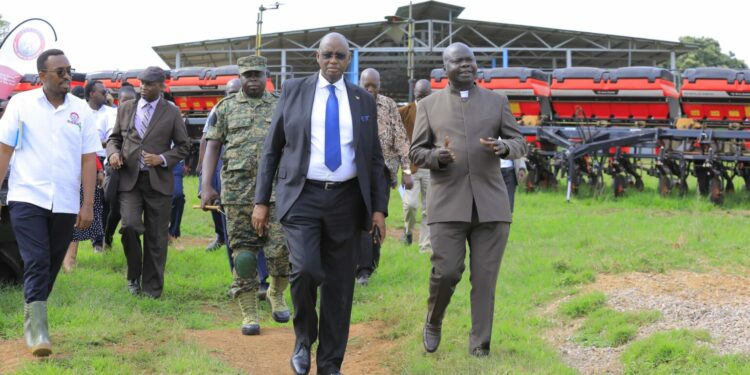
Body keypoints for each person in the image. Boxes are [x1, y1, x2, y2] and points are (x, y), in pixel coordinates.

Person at [252, 32, 388, 375]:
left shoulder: (362, 100)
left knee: (340, 287)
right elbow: (272, 149)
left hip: (347, 200)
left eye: (340, 56)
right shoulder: (294, 90)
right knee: (307, 270)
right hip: (302, 196)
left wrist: (378, 210)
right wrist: (261, 201)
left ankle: (330, 363)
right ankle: (303, 341)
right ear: (317, 56)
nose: (333, 61)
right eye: (327, 54)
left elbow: (374, 159)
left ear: (348, 60)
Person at [409, 42, 527, 357]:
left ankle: (480, 344)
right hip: (448, 203)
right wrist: (437, 156)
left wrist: (505, 148)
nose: (467, 66)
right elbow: (415, 152)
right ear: (445, 67)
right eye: (458, 62)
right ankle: (434, 320)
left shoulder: (497, 101)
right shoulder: (429, 105)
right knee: (446, 271)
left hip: (491, 203)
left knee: (485, 279)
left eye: (471, 61)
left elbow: (519, 141)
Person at [0, 49, 101, 356]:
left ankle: (33, 315)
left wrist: (87, 206)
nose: (67, 75)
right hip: (27, 196)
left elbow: (88, 160)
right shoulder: (21, 104)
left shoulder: (81, 110)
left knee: (52, 263)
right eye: (60, 71)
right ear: (42, 76)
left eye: (69, 70)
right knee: (36, 260)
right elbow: (5, 151)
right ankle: (38, 331)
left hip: (66, 202)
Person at [201, 55, 290, 335]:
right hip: (238, 192)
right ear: (240, 77)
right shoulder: (225, 108)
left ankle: (276, 292)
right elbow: (212, 146)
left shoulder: (280, 106)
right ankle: (250, 312)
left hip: (277, 191)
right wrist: (206, 186)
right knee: (244, 255)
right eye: (248, 75)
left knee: (281, 251)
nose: (253, 79)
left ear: (266, 75)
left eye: (258, 74)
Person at [106, 66, 190, 298]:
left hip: (158, 183)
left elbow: (184, 146)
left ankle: (152, 288)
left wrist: (162, 158)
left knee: (156, 237)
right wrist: (113, 153)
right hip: (129, 181)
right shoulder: (125, 108)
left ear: (162, 86)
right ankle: (134, 275)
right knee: (130, 227)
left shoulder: (171, 112)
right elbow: (114, 139)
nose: (143, 87)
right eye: (141, 83)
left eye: (149, 84)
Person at [355, 67, 412, 286]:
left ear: (380, 85)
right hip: (356, 170)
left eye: (374, 86)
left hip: (383, 172)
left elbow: (400, 138)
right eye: (366, 85)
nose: (370, 90)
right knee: (357, 217)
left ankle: (369, 267)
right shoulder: (352, 100)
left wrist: (407, 171)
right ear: (360, 83)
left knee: (376, 216)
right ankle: (359, 267)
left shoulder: (388, 105)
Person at [62, 80, 112, 270]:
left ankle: (70, 260)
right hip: (60, 172)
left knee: (77, 214)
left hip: (82, 171)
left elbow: (89, 148)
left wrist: (99, 169)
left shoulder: (81, 113)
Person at [197, 78, 240, 253]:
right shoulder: (219, 108)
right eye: (231, 93)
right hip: (220, 158)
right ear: (225, 94)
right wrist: (201, 168)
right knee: (215, 198)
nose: (234, 96)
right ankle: (221, 235)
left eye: (237, 93)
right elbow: (205, 139)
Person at [398, 79, 433, 253]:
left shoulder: (437, 112)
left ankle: (425, 246)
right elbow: (397, 140)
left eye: (426, 96)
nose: (423, 99)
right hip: (410, 168)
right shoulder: (404, 112)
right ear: (415, 93)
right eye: (420, 96)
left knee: (430, 209)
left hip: (431, 167)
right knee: (410, 205)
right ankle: (407, 230)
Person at [102, 85, 137, 250]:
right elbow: (111, 140)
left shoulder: (141, 116)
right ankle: (107, 237)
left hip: (134, 171)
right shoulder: (110, 115)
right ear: (118, 102)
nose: (127, 105)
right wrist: (114, 153)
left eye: (131, 101)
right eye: (124, 101)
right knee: (114, 209)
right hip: (116, 169)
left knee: (130, 213)